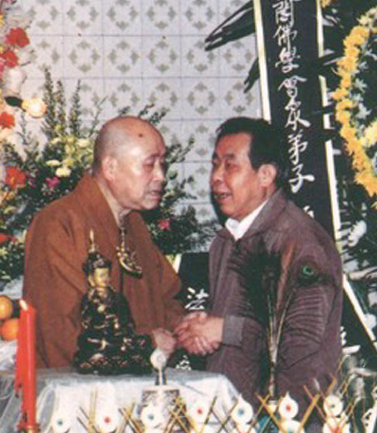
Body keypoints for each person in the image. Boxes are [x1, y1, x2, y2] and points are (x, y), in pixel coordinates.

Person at [175, 117, 342, 409]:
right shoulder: (225, 240)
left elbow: (300, 342)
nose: (216, 177)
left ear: (265, 175)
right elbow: (235, 326)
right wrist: (201, 331)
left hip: (288, 415)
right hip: (232, 412)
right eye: (215, 164)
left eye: (231, 165)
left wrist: (223, 329)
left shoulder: (301, 243)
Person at [23, 115, 184, 368]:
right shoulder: (58, 223)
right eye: (149, 165)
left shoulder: (135, 224)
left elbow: (168, 298)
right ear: (110, 167)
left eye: (162, 164)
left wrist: (187, 329)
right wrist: (145, 344)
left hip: (139, 388)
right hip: (83, 394)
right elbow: (61, 333)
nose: (160, 176)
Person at [73, 231, 155, 374]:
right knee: (89, 341)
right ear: (91, 278)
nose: (105, 278)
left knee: (143, 341)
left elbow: (129, 321)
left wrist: (121, 325)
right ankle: (109, 360)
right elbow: (86, 322)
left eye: (107, 274)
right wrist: (103, 320)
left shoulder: (118, 298)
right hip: (102, 337)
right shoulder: (89, 299)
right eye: (101, 275)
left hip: (119, 336)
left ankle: (120, 358)